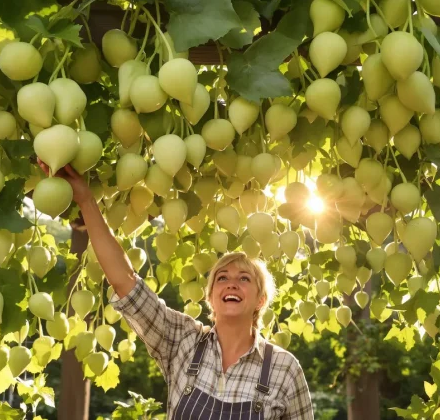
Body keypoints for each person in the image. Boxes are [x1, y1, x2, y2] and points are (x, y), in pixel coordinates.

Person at [39, 161, 314, 419]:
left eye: (244, 279)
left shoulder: (284, 369)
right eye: (221, 278)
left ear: (260, 300)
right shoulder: (182, 341)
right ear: (209, 297)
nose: (232, 283)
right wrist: (86, 200)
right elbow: (124, 280)